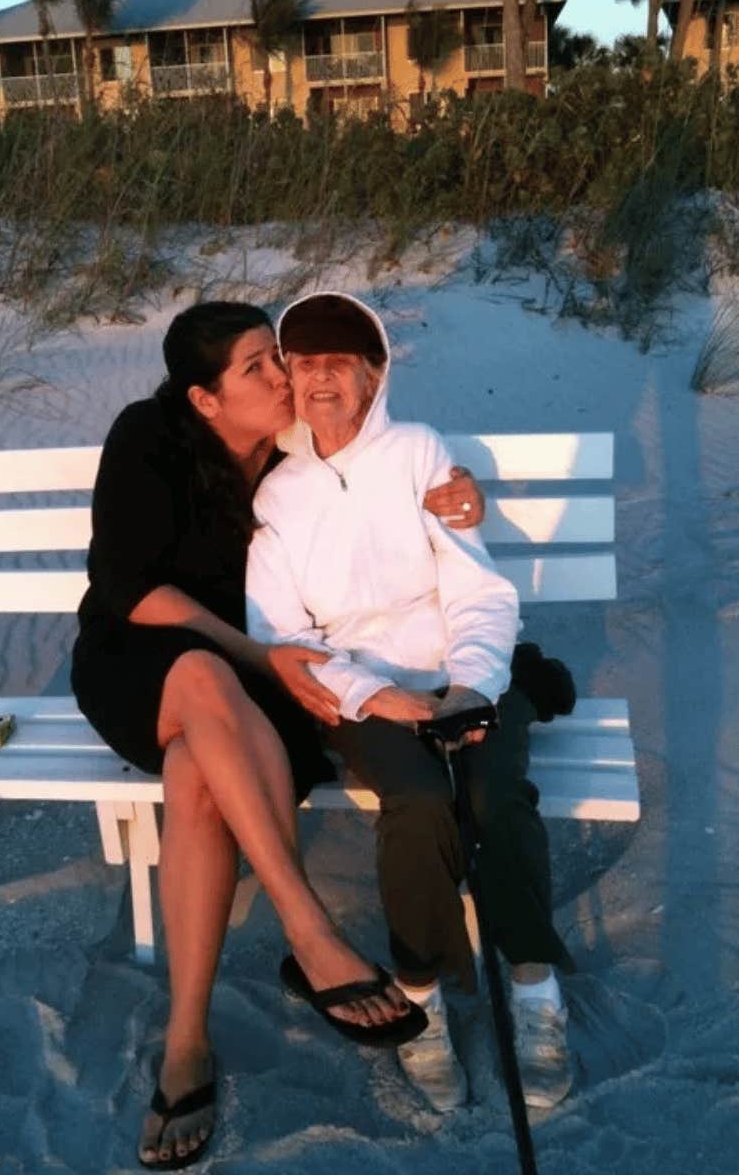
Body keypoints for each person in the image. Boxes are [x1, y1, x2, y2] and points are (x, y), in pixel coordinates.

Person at [70, 300, 484, 1169]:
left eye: (279, 358)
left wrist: (455, 495)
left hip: (264, 690)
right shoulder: (149, 437)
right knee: (199, 676)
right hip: (144, 663)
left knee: (195, 776)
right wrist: (263, 655)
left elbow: (384, 475)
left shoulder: (298, 448)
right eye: (259, 366)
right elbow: (129, 590)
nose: (284, 377)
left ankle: (186, 1044)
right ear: (204, 399)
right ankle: (309, 930)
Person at [246, 292, 576, 1116]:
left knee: (498, 798)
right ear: (290, 375)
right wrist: (372, 694)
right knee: (421, 800)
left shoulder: (424, 453)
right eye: (306, 362)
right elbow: (282, 632)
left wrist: (471, 683)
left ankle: (535, 991)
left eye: (339, 363)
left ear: (373, 374)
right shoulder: (280, 494)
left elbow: (479, 589)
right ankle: (420, 997)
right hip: (357, 692)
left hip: (464, 674)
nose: (321, 378)